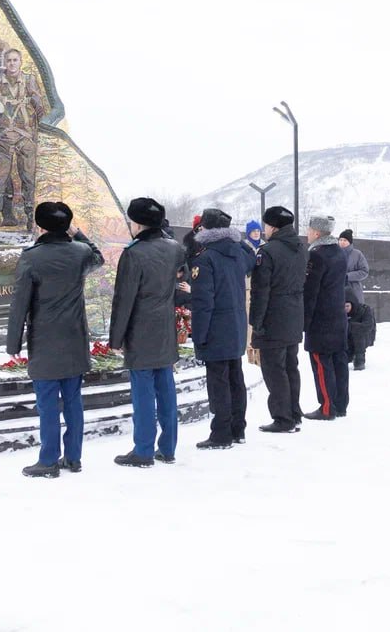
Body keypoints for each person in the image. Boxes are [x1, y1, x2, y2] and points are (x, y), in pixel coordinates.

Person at [7, 202, 104, 478]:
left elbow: (20, 305)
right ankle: (73, 457)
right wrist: (79, 234)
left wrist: (13, 343)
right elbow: (99, 257)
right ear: (67, 225)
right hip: (75, 337)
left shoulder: (32, 258)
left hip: (45, 340)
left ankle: (48, 460)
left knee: (48, 403)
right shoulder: (81, 253)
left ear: (40, 226)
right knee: (73, 401)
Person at [110, 197, 187, 467]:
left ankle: (143, 450)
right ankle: (168, 448)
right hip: (164, 327)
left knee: (143, 393)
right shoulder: (174, 248)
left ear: (138, 223)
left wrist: (115, 338)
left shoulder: (134, 253)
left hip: (140, 331)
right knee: (166, 387)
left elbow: (124, 299)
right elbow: (182, 278)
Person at [189, 208, 257, 449]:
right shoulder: (237, 252)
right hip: (236, 325)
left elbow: (203, 303)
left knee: (218, 383)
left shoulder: (205, 258)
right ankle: (238, 429)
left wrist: (199, 335)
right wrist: (242, 242)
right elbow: (252, 258)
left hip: (216, 327)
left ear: (205, 229)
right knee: (235, 378)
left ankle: (221, 434)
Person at [0, 48, 49, 233]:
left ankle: (32, 221)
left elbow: (41, 107)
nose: (12, 63)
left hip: (26, 137)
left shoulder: (29, 80)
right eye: (9, 60)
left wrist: (43, 122)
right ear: (4, 62)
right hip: (2, 137)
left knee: (29, 180)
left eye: (15, 60)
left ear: (20, 62)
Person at [249, 206, 308, 433]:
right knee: (291, 366)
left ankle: (283, 418)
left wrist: (257, 323)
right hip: (294, 314)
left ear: (273, 226)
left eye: (266, 225)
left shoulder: (268, 252)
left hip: (274, 316)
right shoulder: (301, 248)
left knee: (275, 370)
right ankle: (294, 412)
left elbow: (261, 291)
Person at [303, 215, 349, 419]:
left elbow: (311, 291)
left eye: (309, 229)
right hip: (337, 314)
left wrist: (304, 321)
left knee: (321, 362)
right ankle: (340, 404)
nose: (307, 233)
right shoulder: (339, 252)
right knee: (339, 360)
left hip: (321, 318)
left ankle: (327, 407)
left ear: (317, 232)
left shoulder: (316, 255)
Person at [345, 287, 376, 371]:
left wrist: (350, 326)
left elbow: (368, 325)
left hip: (362, 338)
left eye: (347, 306)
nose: (346, 309)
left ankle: (359, 359)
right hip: (346, 339)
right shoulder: (339, 312)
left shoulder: (364, 310)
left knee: (358, 333)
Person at [337, 229, 370, 304]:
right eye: (340, 240)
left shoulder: (357, 254)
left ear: (350, 242)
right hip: (336, 288)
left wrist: (347, 276)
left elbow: (364, 271)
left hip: (353, 289)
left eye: (345, 240)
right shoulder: (334, 253)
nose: (342, 242)